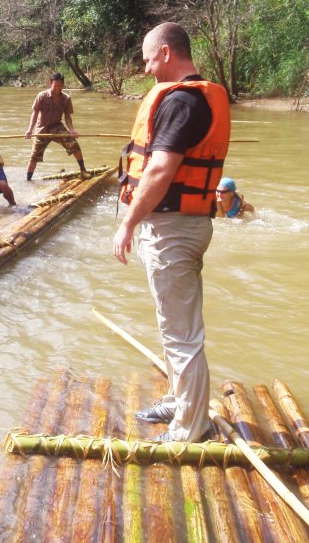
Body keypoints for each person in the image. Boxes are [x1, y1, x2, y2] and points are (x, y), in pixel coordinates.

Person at [113, 22, 230, 443]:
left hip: (175, 229)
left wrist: (127, 223)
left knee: (182, 333)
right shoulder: (189, 98)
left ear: (165, 53)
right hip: (177, 224)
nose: (146, 70)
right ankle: (177, 402)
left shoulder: (181, 100)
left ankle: (190, 427)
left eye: (147, 59)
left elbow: (161, 169)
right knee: (171, 324)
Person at [23, 72, 89, 181]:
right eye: (55, 86)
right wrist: (29, 130)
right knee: (34, 156)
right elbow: (34, 113)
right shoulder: (42, 96)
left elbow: (67, 116)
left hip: (57, 127)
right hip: (42, 129)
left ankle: (83, 170)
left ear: (63, 85)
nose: (57, 88)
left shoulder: (66, 99)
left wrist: (72, 130)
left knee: (74, 145)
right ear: (50, 84)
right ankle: (28, 180)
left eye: (60, 86)